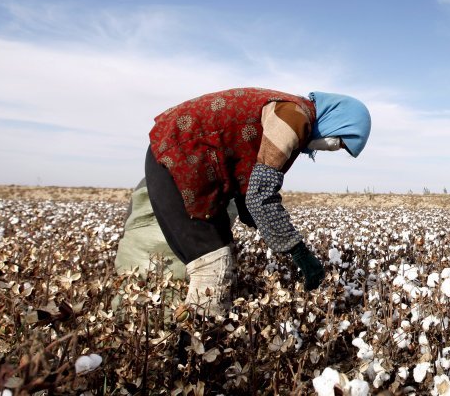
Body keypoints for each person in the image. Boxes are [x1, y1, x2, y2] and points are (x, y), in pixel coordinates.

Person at [144, 87, 371, 316]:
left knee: (220, 253)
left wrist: (260, 220)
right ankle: (193, 344)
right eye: (340, 143)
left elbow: (250, 180)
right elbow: (261, 195)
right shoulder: (293, 117)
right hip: (178, 160)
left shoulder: (294, 113)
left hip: (186, 160)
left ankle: (201, 334)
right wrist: (299, 253)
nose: (334, 148)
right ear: (338, 121)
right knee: (213, 266)